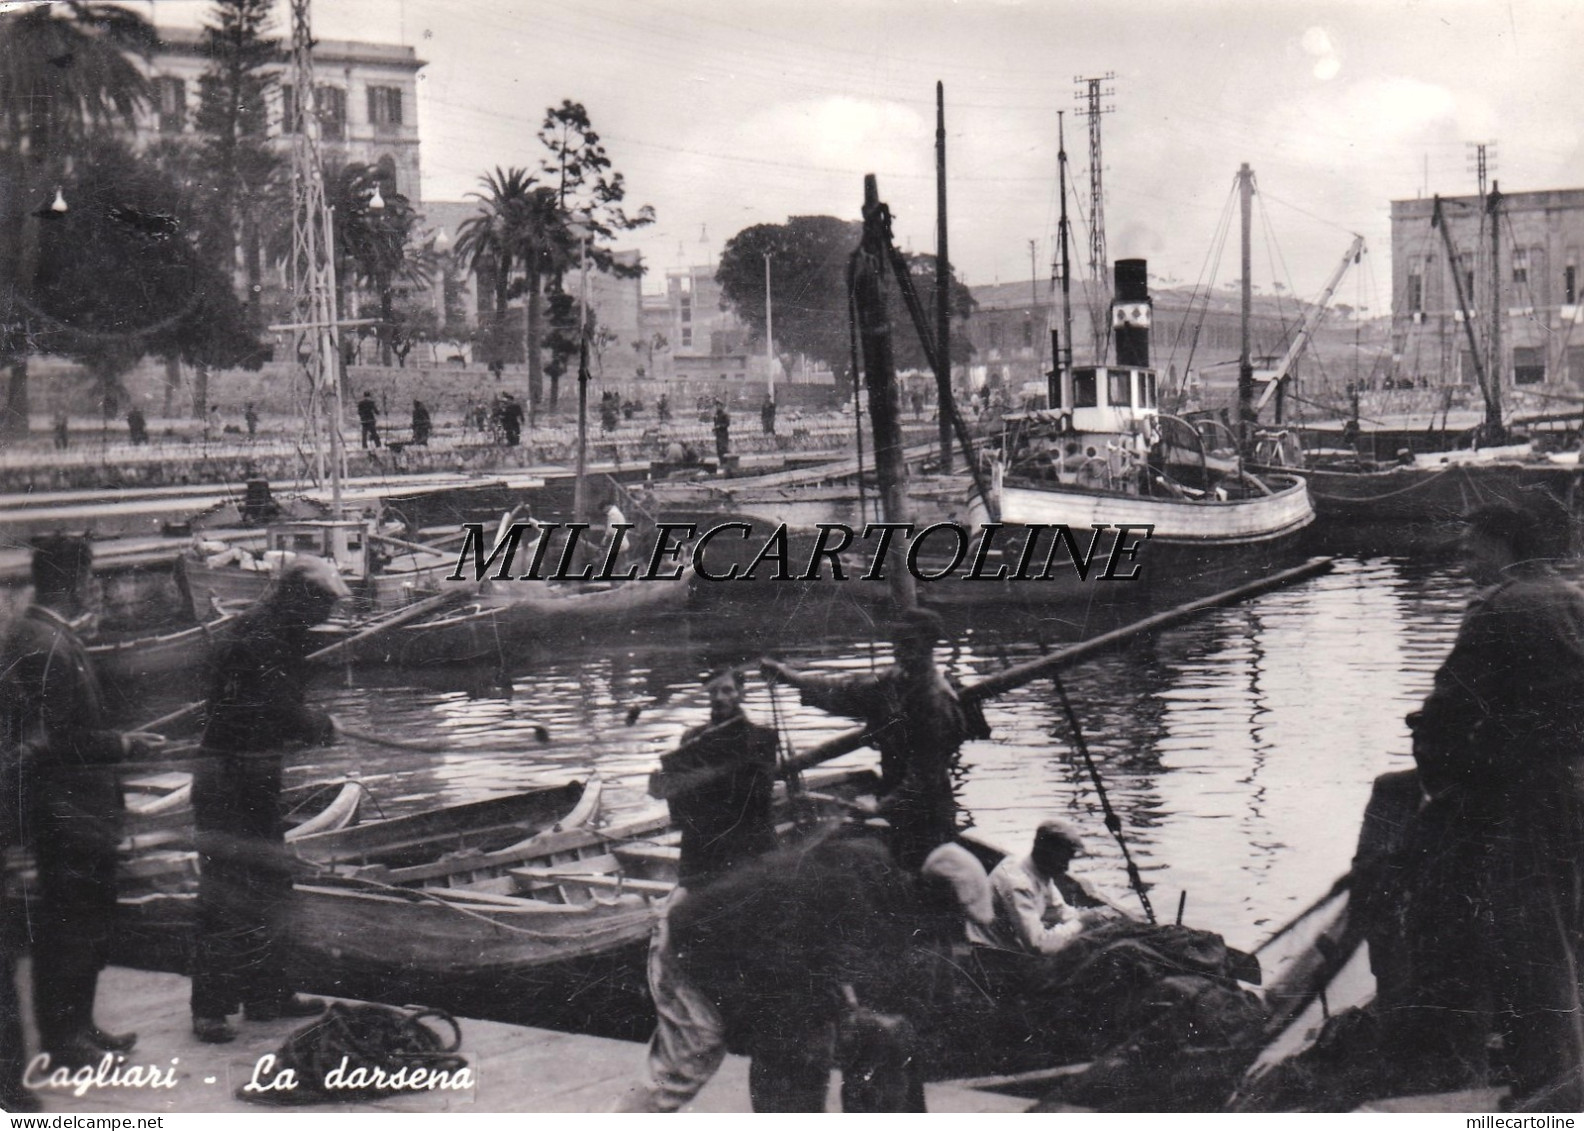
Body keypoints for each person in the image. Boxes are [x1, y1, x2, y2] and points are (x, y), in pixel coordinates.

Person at [1404, 502, 1584, 1110]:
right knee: (1568, 927)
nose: (1462, 559)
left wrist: (1444, 787)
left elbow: (1447, 717)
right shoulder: (1573, 598)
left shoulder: (1498, 609)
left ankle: (1550, 1100)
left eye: (1471, 547)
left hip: (1530, 799)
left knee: (1532, 938)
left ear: (1504, 546)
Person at [0, 536, 164, 1071]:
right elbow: (49, 741)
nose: (96, 586)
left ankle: (79, 1024)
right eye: (91, 576)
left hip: (76, 809)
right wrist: (121, 744)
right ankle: (65, 1038)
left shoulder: (43, 634)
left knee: (86, 920)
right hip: (66, 812)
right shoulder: (44, 643)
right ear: (71, 581)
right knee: (70, 923)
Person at [189, 558, 348, 1044]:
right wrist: (319, 725)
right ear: (298, 598)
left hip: (254, 775)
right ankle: (210, 1009)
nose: (322, 617)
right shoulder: (262, 635)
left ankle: (268, 994)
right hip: (228, 777)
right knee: (224, 892)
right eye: (320, 605)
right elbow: (275, 706)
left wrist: (306, 725)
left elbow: (273, 709)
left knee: (272, 884)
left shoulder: (272, 630)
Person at [616, 667, 779, 1112]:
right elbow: (677, 806)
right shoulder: (694, 739)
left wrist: (692, 777)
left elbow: (751, 797)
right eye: (715, 690)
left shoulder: (759, 738)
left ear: (741, 693)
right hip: (701, 864)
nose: (721, 696)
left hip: (743, 861)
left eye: (729, 689)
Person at [762, 607, 982, 869]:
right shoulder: (895, 681)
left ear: (929, 645)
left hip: (927, 814)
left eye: (909, 643)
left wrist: (881, 807)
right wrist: (790, 678)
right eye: (896, 643)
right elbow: (846, 692)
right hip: (894, 799)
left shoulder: (936, 702)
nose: (899, 651)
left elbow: (925, 775)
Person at [969, 819, 1121, 956]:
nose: (1066, 868)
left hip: (1014, 944)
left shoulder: (1040, 870)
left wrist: (1093, 915)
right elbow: (1038, 946)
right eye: (1063, 860)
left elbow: (1057, 911)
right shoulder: (1017, 883)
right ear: (1046, 852)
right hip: (991, 954)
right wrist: (1081, 923)